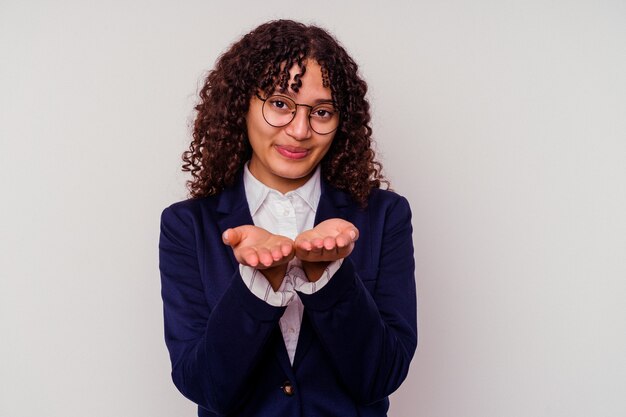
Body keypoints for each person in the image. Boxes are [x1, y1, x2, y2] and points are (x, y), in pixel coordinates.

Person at [159, 19, 417, 417]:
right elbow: (204, 385)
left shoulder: (385, 216)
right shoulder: (186, 227)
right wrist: (259, 283)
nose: (299, 130)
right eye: (280, 103)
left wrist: (328, 275)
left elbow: (381, 376)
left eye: (322, 111)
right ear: (241, 104)